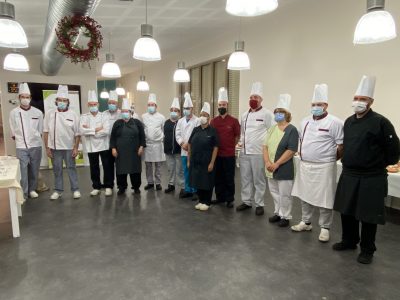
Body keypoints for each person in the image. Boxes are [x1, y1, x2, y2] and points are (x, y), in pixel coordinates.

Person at [333, 75, 400, 264]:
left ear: (371, 102)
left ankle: (367, 249)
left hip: (372, 176)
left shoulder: (381, 122)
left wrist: (376, 164)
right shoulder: (349, 121)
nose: (358, 102)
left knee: (368, 215)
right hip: (349, 173)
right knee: (347, 211)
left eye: (363, 99)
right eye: (356, 98)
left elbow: (394, 150)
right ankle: (349, 240)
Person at [291, 84, 344, 242]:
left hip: (325, 166)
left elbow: (341, 146)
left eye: (319, 105)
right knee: (304, 194)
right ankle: (306, 222)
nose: (315, 107)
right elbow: (302, 140)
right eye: (313, 105)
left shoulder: (335, 122)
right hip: (305, 164)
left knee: (325, 197)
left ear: (326, 106)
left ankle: (325, 227)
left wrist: (331, 159)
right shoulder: (305, 121)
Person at [236, 82, 274, 216]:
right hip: (245, 152)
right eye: (251, 97)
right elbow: (242, 132)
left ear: (261, 99)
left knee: (259, 179)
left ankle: (259, 204)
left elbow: (272, 132)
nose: (253, 100)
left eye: (256, 97)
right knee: (245, 178)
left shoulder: (267, 114)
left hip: (259, 152)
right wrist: (240, 142)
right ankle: (246, 201)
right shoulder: (244, 114)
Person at [263, 94, 299, 227]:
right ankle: (278, 212)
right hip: (270, 167)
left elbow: (291, 150)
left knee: (285, 194)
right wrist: (267, 162)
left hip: (284, 167)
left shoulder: (292, 130)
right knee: (274, 192)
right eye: (276, 112)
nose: (278, 114)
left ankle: (285, 215)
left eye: (281, 112)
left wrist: (277, 163)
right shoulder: (272, 129)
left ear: (287, 114)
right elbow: (265, 146)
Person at [43, 85, 81, 200]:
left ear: (68, 102)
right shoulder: (49, 114)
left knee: (71, 168)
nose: (62, 102)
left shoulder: (73, 114)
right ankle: (58, 190)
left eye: (64, 100)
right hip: (54, 147)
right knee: (57, 169)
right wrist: (47, 148)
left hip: (69, 147)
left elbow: (77, 134)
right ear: (56, 101)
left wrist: (76, 148)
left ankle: (75, 189)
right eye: (60, 100)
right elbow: (45, 132)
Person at [9, 82, 43, 199]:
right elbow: (13, 130)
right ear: (19, 98)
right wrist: (18, 139)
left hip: (35, 145)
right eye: (22, 97)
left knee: (34, 169)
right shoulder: (13, 113)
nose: (25, 99)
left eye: (27, 97)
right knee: (23, 171)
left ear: (30, 98)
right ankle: (24, 192)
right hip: (21, 145)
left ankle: (32, 190)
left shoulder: (38, 113)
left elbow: (41, 129)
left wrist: (36, 137)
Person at [210, 87, 240, 208]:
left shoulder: (233, 121)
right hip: (217, 154)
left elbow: (237, 136)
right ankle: (220, 197)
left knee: (229, 177)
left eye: (223, 104)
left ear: (227, 105)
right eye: (219, 105)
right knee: (218, 177)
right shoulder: (214, 121)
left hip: (229, 154)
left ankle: (229, 199)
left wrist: (231, 145)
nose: (221, 106)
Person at [79, 90, 112, 196]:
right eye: (91, 104)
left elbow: (106, 131)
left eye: (94, 104)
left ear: (98, 104)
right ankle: (96, 186)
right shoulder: (84, 117)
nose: (93, 106)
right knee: (94, 167)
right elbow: (82, 131)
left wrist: (90, 130)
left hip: (104, 145)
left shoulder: (104, 115)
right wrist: (97, 129)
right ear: (88, 105)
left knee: (107, 166)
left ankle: (108, 186)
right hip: (91, 146)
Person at [110, 98, 146, 195]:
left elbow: (142, 136)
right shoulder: (117, 123)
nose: (125, 113)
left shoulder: (137, 123)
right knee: (121, 170)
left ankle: (136, 187)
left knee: (135, 170)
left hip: (134, 151)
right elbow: (112, 137)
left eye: (127, 111)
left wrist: (141, 147)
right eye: (123, 111)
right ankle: (122, 187)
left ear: (131, 112)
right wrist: (113, 148)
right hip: (120, 152)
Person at [188, 102, 219, 211]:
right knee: (198, 181)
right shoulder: (196, 129)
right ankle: (201, 200)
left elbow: (216, 147)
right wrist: (188, 160)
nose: (202, 117)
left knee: (207, 181)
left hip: (207, 161)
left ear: (209, 118)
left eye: (205, 115)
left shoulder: (213, 131)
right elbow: (190, 144)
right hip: (196, 160)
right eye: (201, 114)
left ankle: (207, 201)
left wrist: (212, 162)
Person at [175, 92, 200, 199]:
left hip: (194, 150)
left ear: (192, 109)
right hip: (184, 150)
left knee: (194, 170)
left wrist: (190, 145)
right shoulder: (180, 121)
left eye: (188, 108)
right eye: (184, 108)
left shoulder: (197, 120)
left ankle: (195, 190)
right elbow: (177, 133)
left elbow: (198, 135)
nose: (186, 110)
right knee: (185, 170)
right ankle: (188, 189)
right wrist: (181, 143)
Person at [142, 93, 166, 191]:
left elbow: (163, 130)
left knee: (158, 165)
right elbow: (142, 129)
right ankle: (150, 182)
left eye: (152, 105)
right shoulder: (143, 116)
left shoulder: (161, 117)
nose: (150, 107)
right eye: (149, 105)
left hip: (157, 144)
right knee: (148, 165)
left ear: (156, 106)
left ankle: (158, 182)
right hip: (147, 145)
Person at [163, 97, 184, 193]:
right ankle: (171, 185)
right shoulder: (166, 122)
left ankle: (183, 187)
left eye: (176, 110)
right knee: (170, 169)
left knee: (180, 170)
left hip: (178, 150)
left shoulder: (181, 122)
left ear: (179, 112)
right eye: (172, 110)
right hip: (168, 150)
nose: (173, 112)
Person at [103, 90, 121, 192]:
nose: (111, 105)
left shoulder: (121, 114)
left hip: (119, 144)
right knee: (107, 165)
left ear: (117, 104)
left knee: (119, 165)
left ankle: (120, 185)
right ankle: (109, 185)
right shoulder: (103, 114)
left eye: (113, 103)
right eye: (109, 103)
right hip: (106, 143)